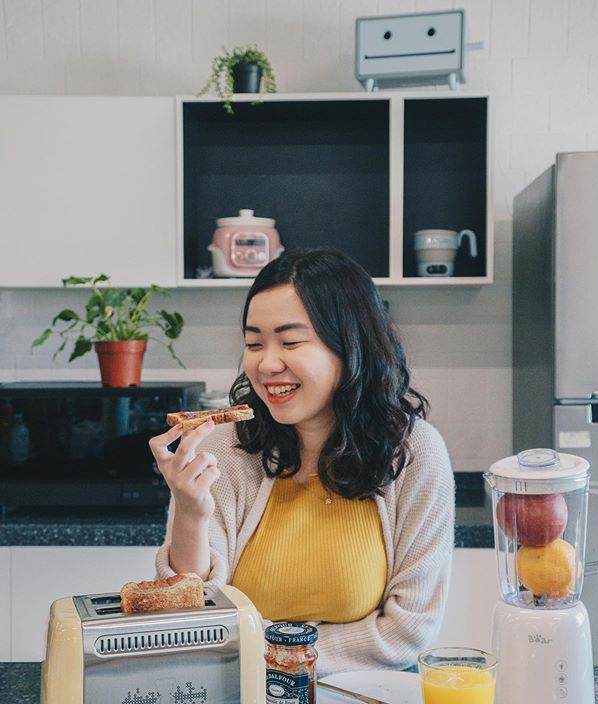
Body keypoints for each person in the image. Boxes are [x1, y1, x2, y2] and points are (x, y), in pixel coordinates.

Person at [151, 248, 454, 676]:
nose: (267, 363)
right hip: (241, 701)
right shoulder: (222, 449)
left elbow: (409, 630)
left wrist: (275, 656)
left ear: (350, 346)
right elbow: (196, 618)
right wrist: (190, 512)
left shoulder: (413, 453)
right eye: (254, 343)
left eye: (290, 341)